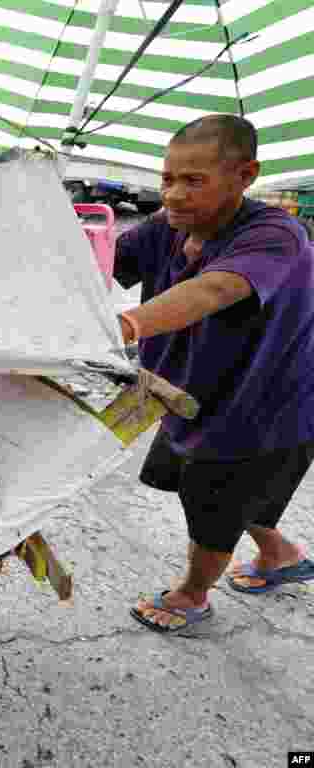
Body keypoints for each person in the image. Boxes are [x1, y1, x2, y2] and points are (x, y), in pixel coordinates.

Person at [114, 115, 314, 633]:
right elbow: (102, 263)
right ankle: (280, 554)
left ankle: (192, 597)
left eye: (194, 180)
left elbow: (213, 291)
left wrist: (129, 323)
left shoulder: (275, 234)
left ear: (245, 175)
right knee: (223, 491)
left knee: (213, 503)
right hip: (194, 394)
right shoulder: (164, 228)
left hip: (264, 406)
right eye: (168, 179)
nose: (175, 194)